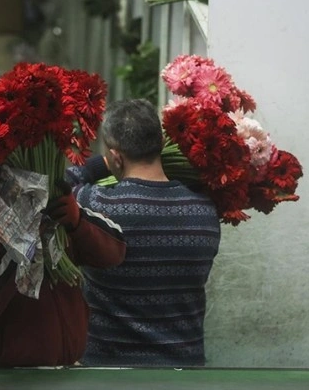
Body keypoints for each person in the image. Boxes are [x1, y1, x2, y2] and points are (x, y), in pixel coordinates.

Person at [65, 99, 221, 367]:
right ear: (160, 145)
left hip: (107, 374)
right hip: (184, 373)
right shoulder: (204, 211)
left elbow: (60, 186)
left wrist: (101, 164)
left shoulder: (95, 204)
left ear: (115, 156)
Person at [0, 184, 126, 366]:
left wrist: (77, 222)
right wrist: (19, 251)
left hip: (64, 371)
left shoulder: (46, 196)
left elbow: (115, 252)